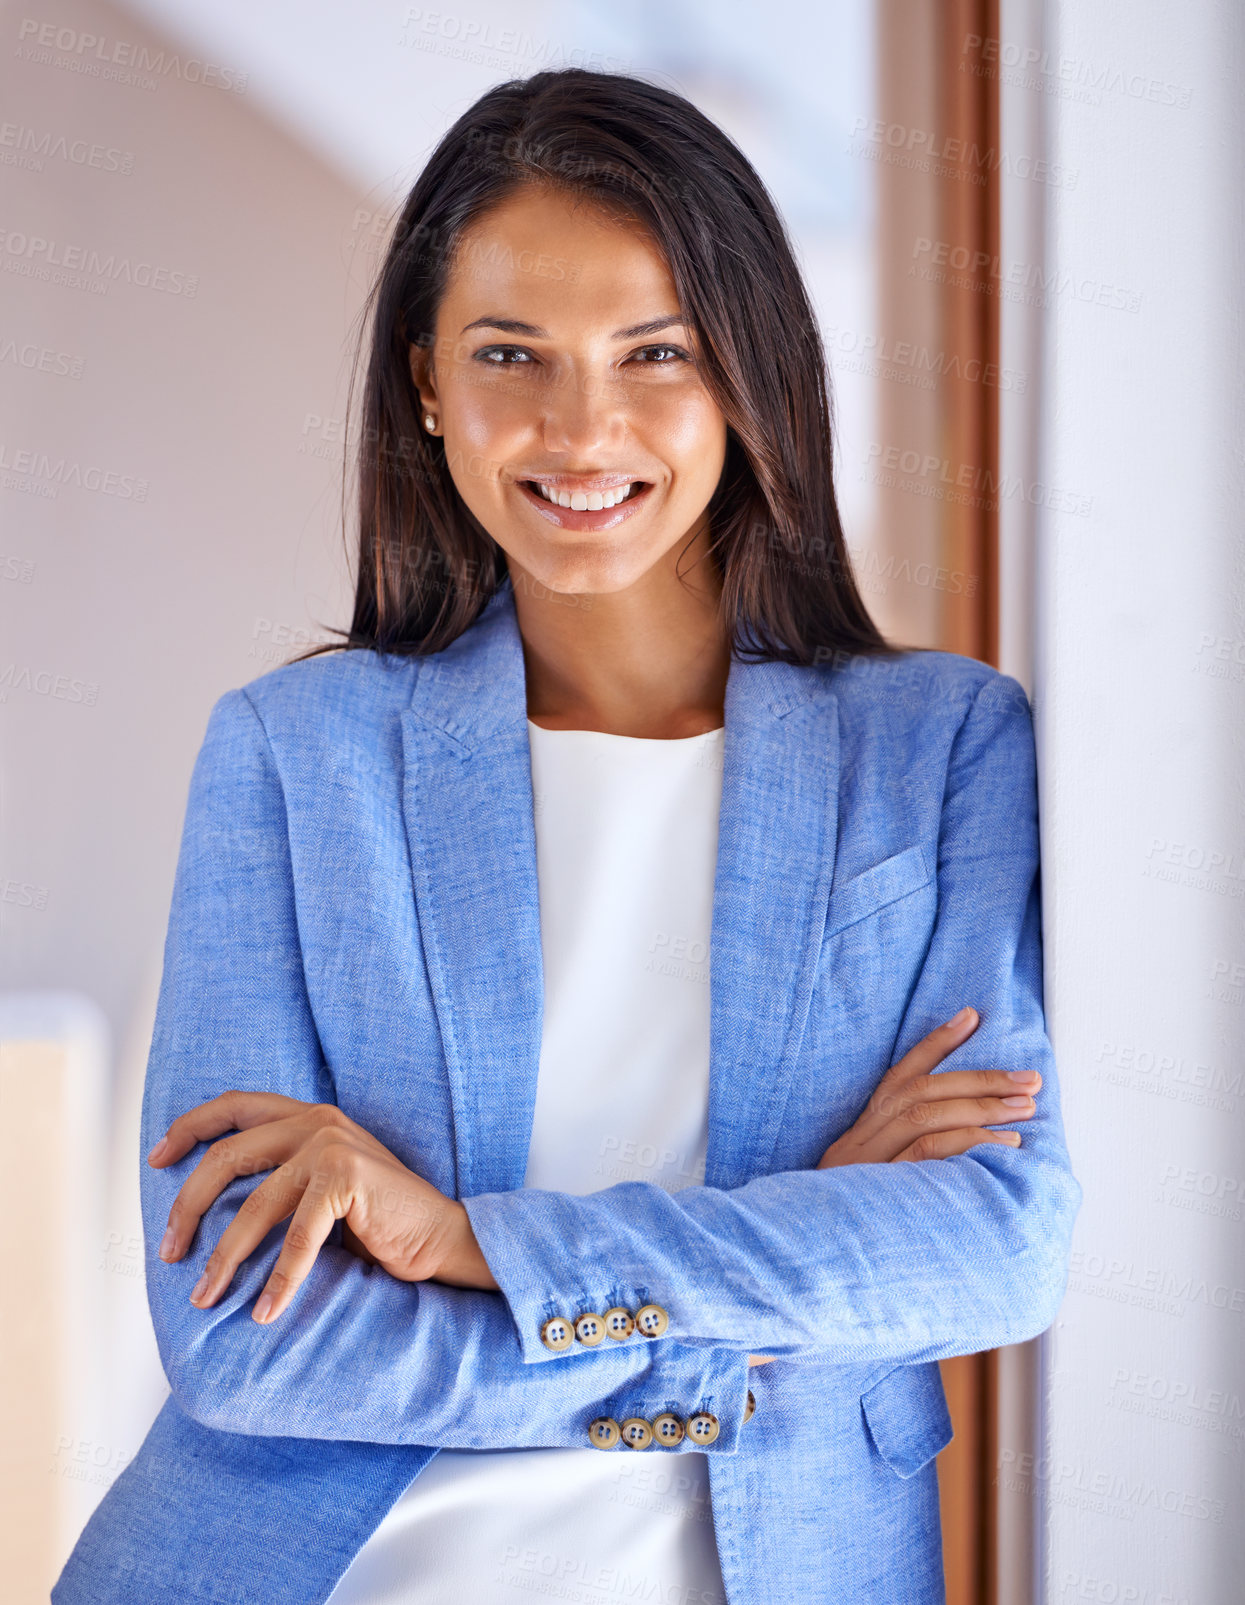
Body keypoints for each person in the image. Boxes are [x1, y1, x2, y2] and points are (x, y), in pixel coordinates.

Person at [53, 68, 1080, 1605]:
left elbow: (992, 1245)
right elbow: (244, 1340)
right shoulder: (293, 755)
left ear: (744, 371)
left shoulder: (938, 746)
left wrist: (466, 1243)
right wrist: (764, 1295)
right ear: (424, 383)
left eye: (651, 352)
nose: (579, 426)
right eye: (508, 354)